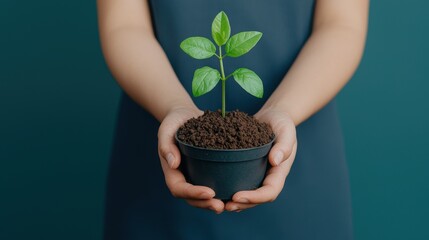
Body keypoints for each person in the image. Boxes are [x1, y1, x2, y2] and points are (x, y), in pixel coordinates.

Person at [97, 0, 368, 239]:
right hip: (161, 149)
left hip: (301, 143)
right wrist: (174, 106)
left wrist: (282, 110)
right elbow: (123, 25)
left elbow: (341, 25)